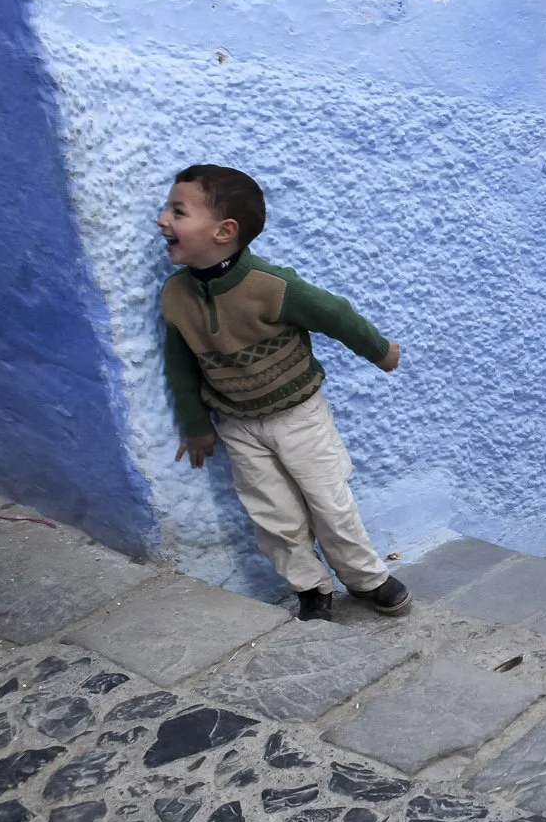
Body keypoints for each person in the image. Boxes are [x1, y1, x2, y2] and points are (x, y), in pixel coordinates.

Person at [158, 165, 412, 623]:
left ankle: (365, 577)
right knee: (272, 513)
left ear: (224, 231)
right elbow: (179, 363)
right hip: (237, 423)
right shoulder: (176, 297)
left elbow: (334, 314)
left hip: (299, 416)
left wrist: (380, 351)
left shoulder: (270, 286)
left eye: (178, 211)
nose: (162, 220)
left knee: (328, 500)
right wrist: (196, 426)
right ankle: (310, 588)